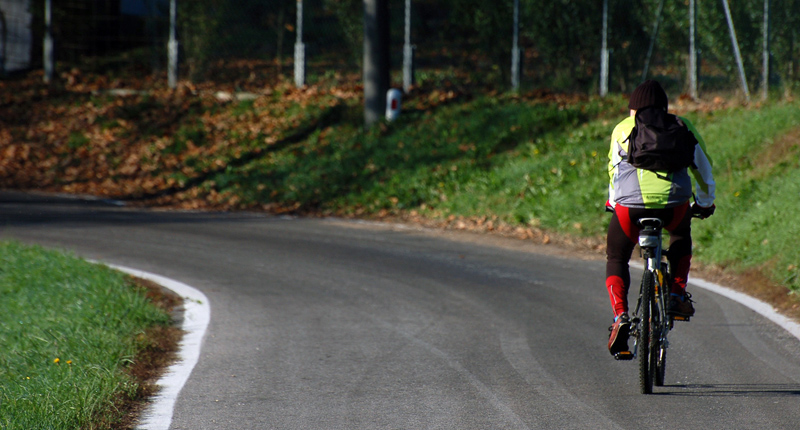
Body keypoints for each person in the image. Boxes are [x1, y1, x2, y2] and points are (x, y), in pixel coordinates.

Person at [605, 80, 716, 356]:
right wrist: (704, 203)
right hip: (674, 204)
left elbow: (613, 172)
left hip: (630, 208)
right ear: (665, 108)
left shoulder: (622, 128)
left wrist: (613, 202)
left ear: (633, 109)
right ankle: (677, 295)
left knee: (617, 256)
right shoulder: (682, 125)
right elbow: (703, 168)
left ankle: (620, 316)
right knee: (680, 235)